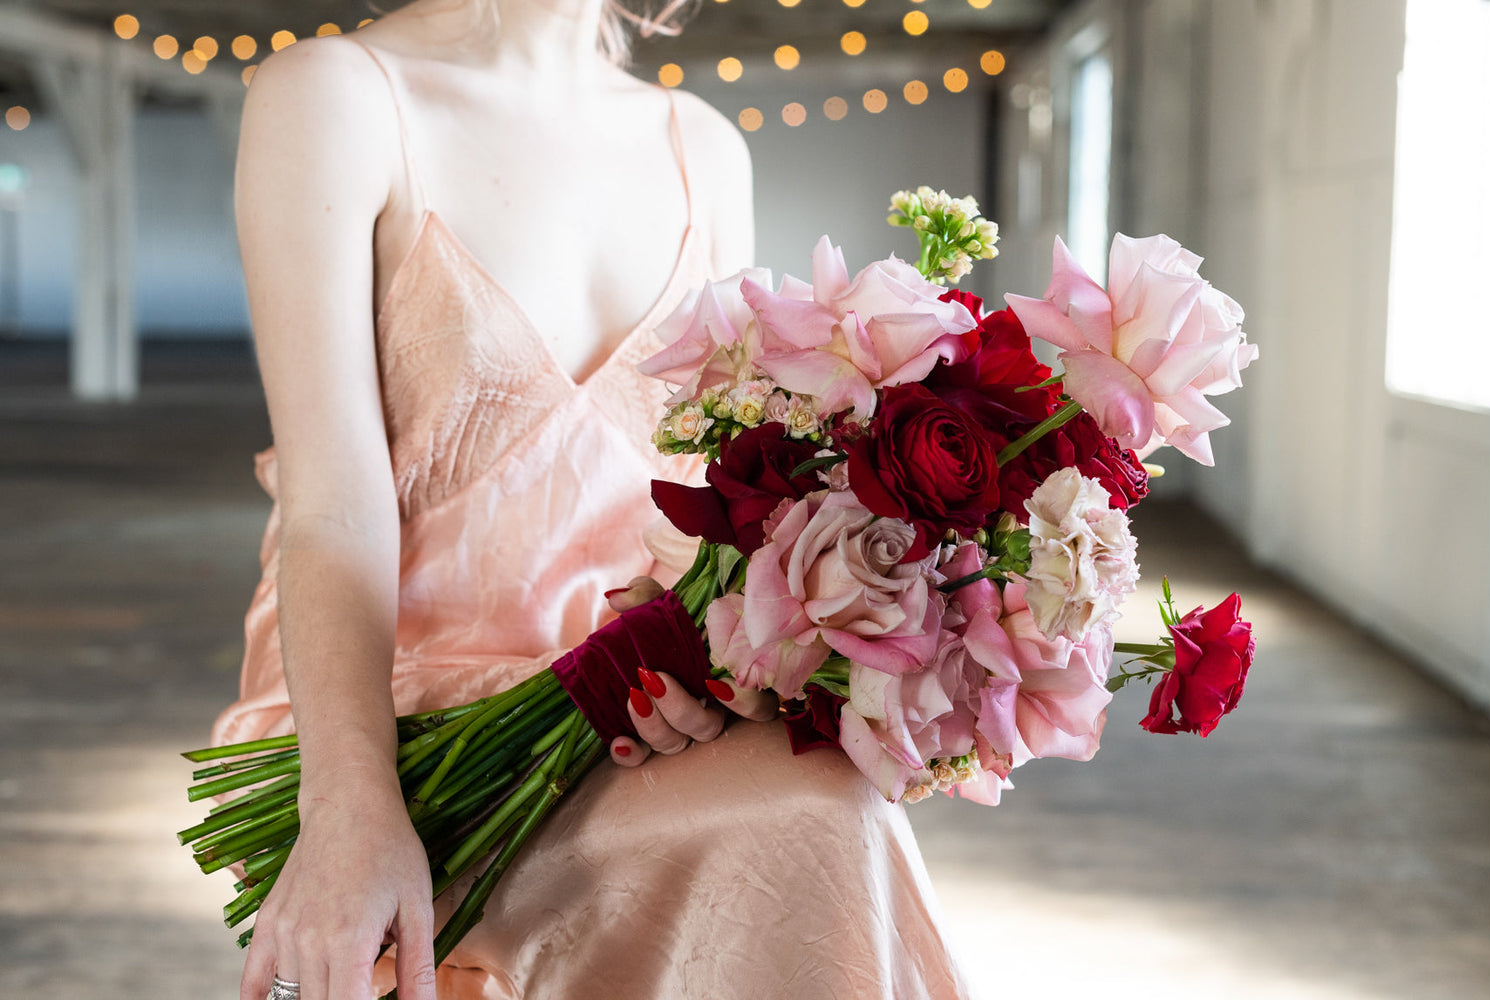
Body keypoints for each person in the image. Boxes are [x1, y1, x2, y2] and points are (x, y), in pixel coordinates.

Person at [214, 1, 975, 998]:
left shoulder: (704, 145)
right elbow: (331, 506)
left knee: (833, 806)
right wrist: (351, 805)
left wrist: (716, 664)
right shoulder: (335, 96)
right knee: (821, 820)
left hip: (615, 699)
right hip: (399, 705)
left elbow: (708, 505)